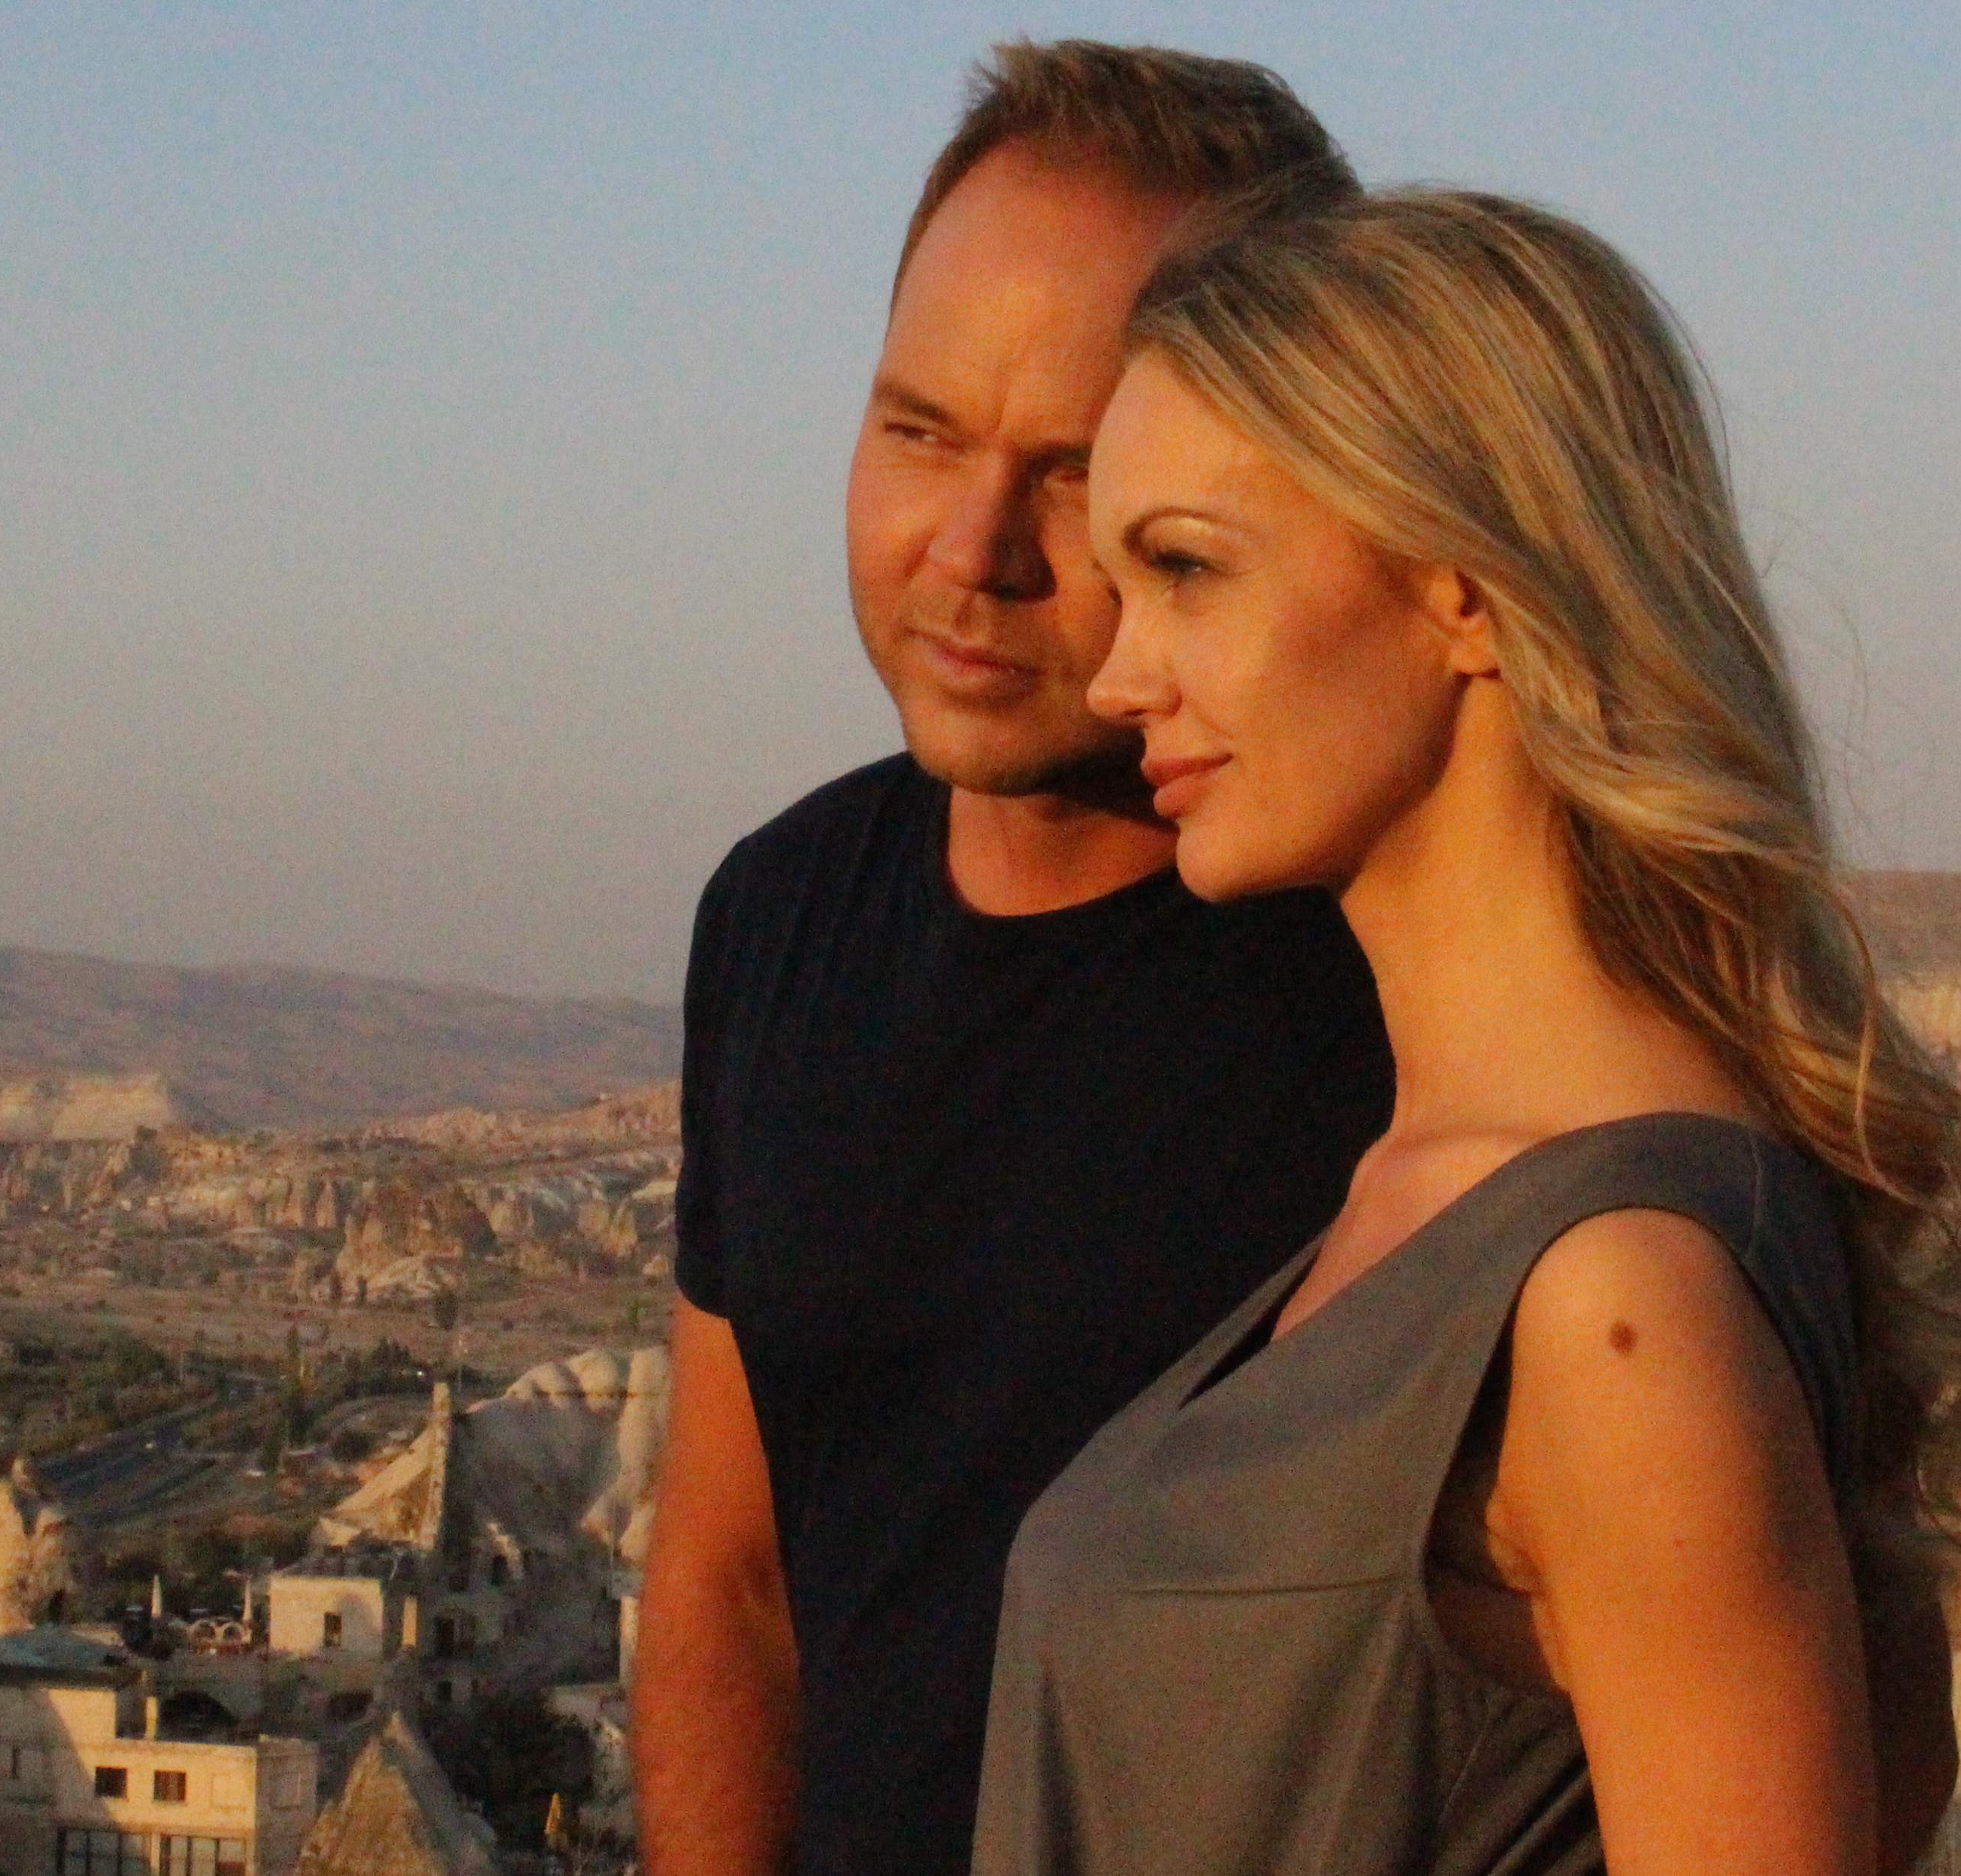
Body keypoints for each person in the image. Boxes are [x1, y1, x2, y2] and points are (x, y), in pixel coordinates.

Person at [972, 191, 1961, 1876]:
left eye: (1185, 570)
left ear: (1465, 589)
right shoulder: (1436, 1199)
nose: (1116, 676)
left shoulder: (1615, 1300)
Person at [629, 44, 1395, 1876]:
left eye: (1074, 472)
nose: (970, 551)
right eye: (918, 431)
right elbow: (731, 1584)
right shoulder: (780, 916)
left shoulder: (1404, 973)